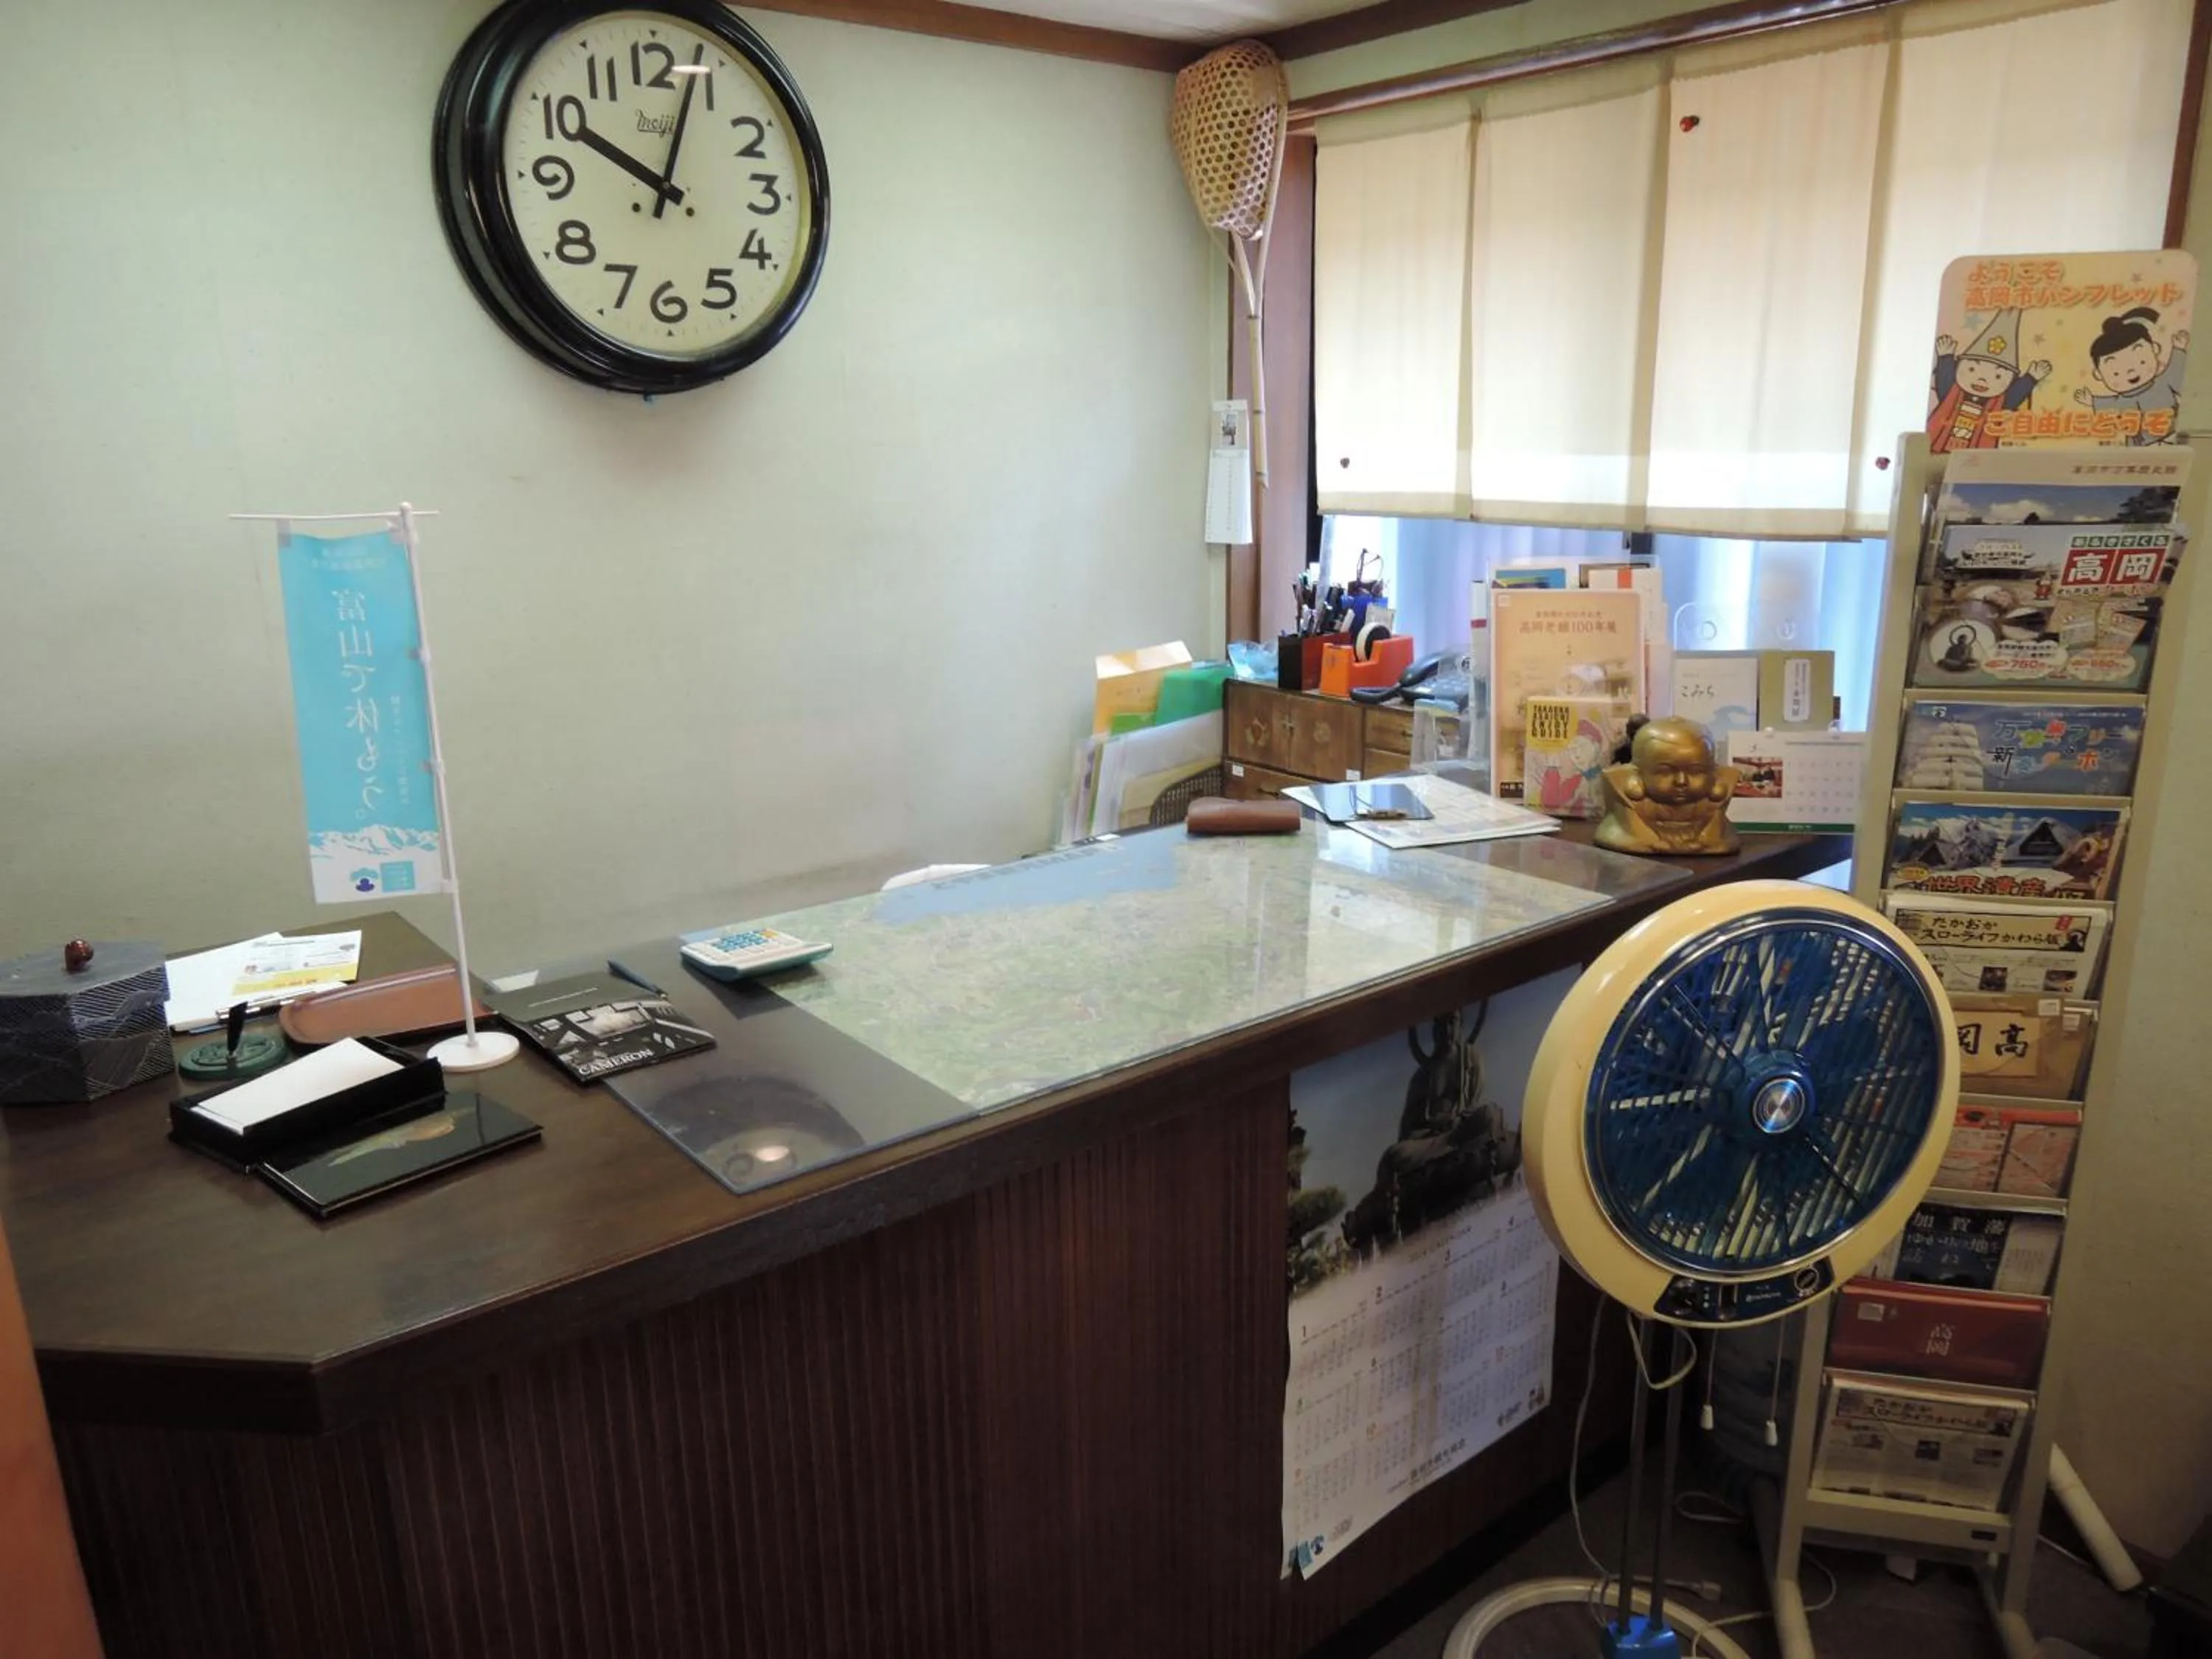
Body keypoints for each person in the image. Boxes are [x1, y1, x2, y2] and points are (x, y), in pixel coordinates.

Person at [1930, 307, 2053, 453]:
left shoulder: (1998, 403)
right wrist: (1945, 358)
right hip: (1941, 447)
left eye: (1998, 376)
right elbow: (1945, 384)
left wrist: (2031, 378)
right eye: (1972, 370)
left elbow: (2013, 398)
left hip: (1975, 456)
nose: (1982, 380)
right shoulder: (1953, 394)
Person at [2074, 305, 2188, 445]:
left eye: (2141, 362)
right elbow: (2112, 405)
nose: (2132, 373)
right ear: (2098, 374)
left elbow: (2175, 373)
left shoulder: (2162, 382)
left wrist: (2178, 349)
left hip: (2171, 434)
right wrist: (2092, 401)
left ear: (2155, 349)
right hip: (2143, 443)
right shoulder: (2122, 400)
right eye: (2116, 373)